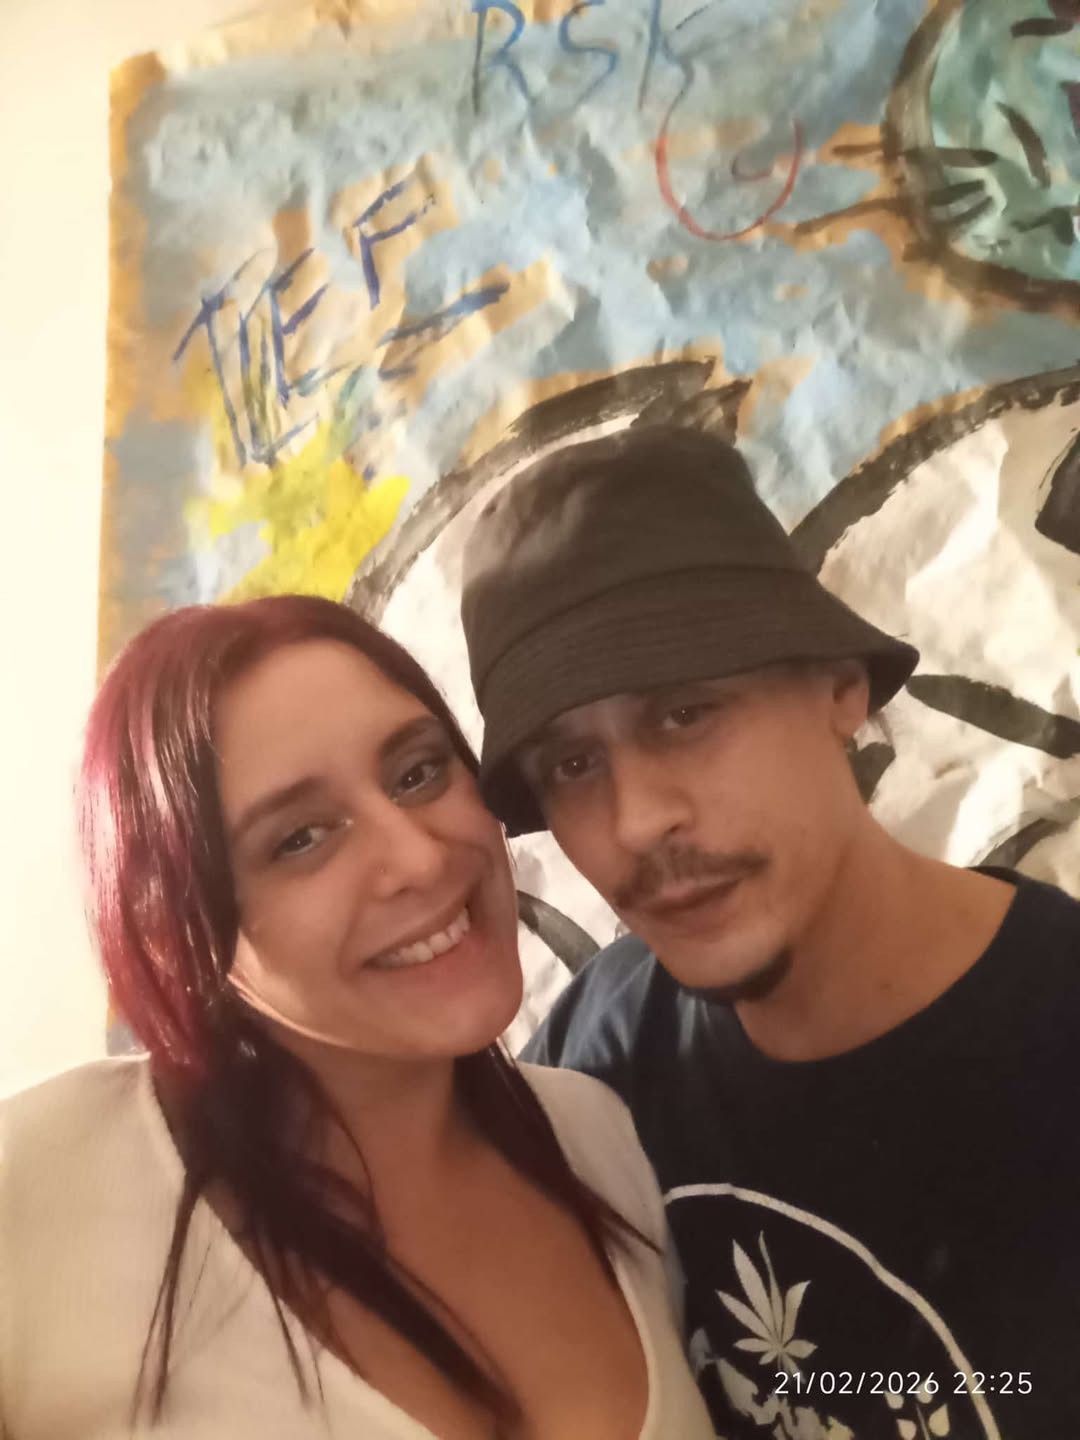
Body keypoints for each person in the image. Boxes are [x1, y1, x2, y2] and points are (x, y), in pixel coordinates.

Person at [459, 425, 1080, 1440]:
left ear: (839, 684)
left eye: (685, 713)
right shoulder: (602, 1054)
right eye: (573, 765)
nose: (636, 821)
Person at [0, 595, 715, 1440]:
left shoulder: (599, 1140)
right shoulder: (44, 1190)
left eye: (418, 773)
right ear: (180, 932)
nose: (419, 858)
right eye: (300, 839)